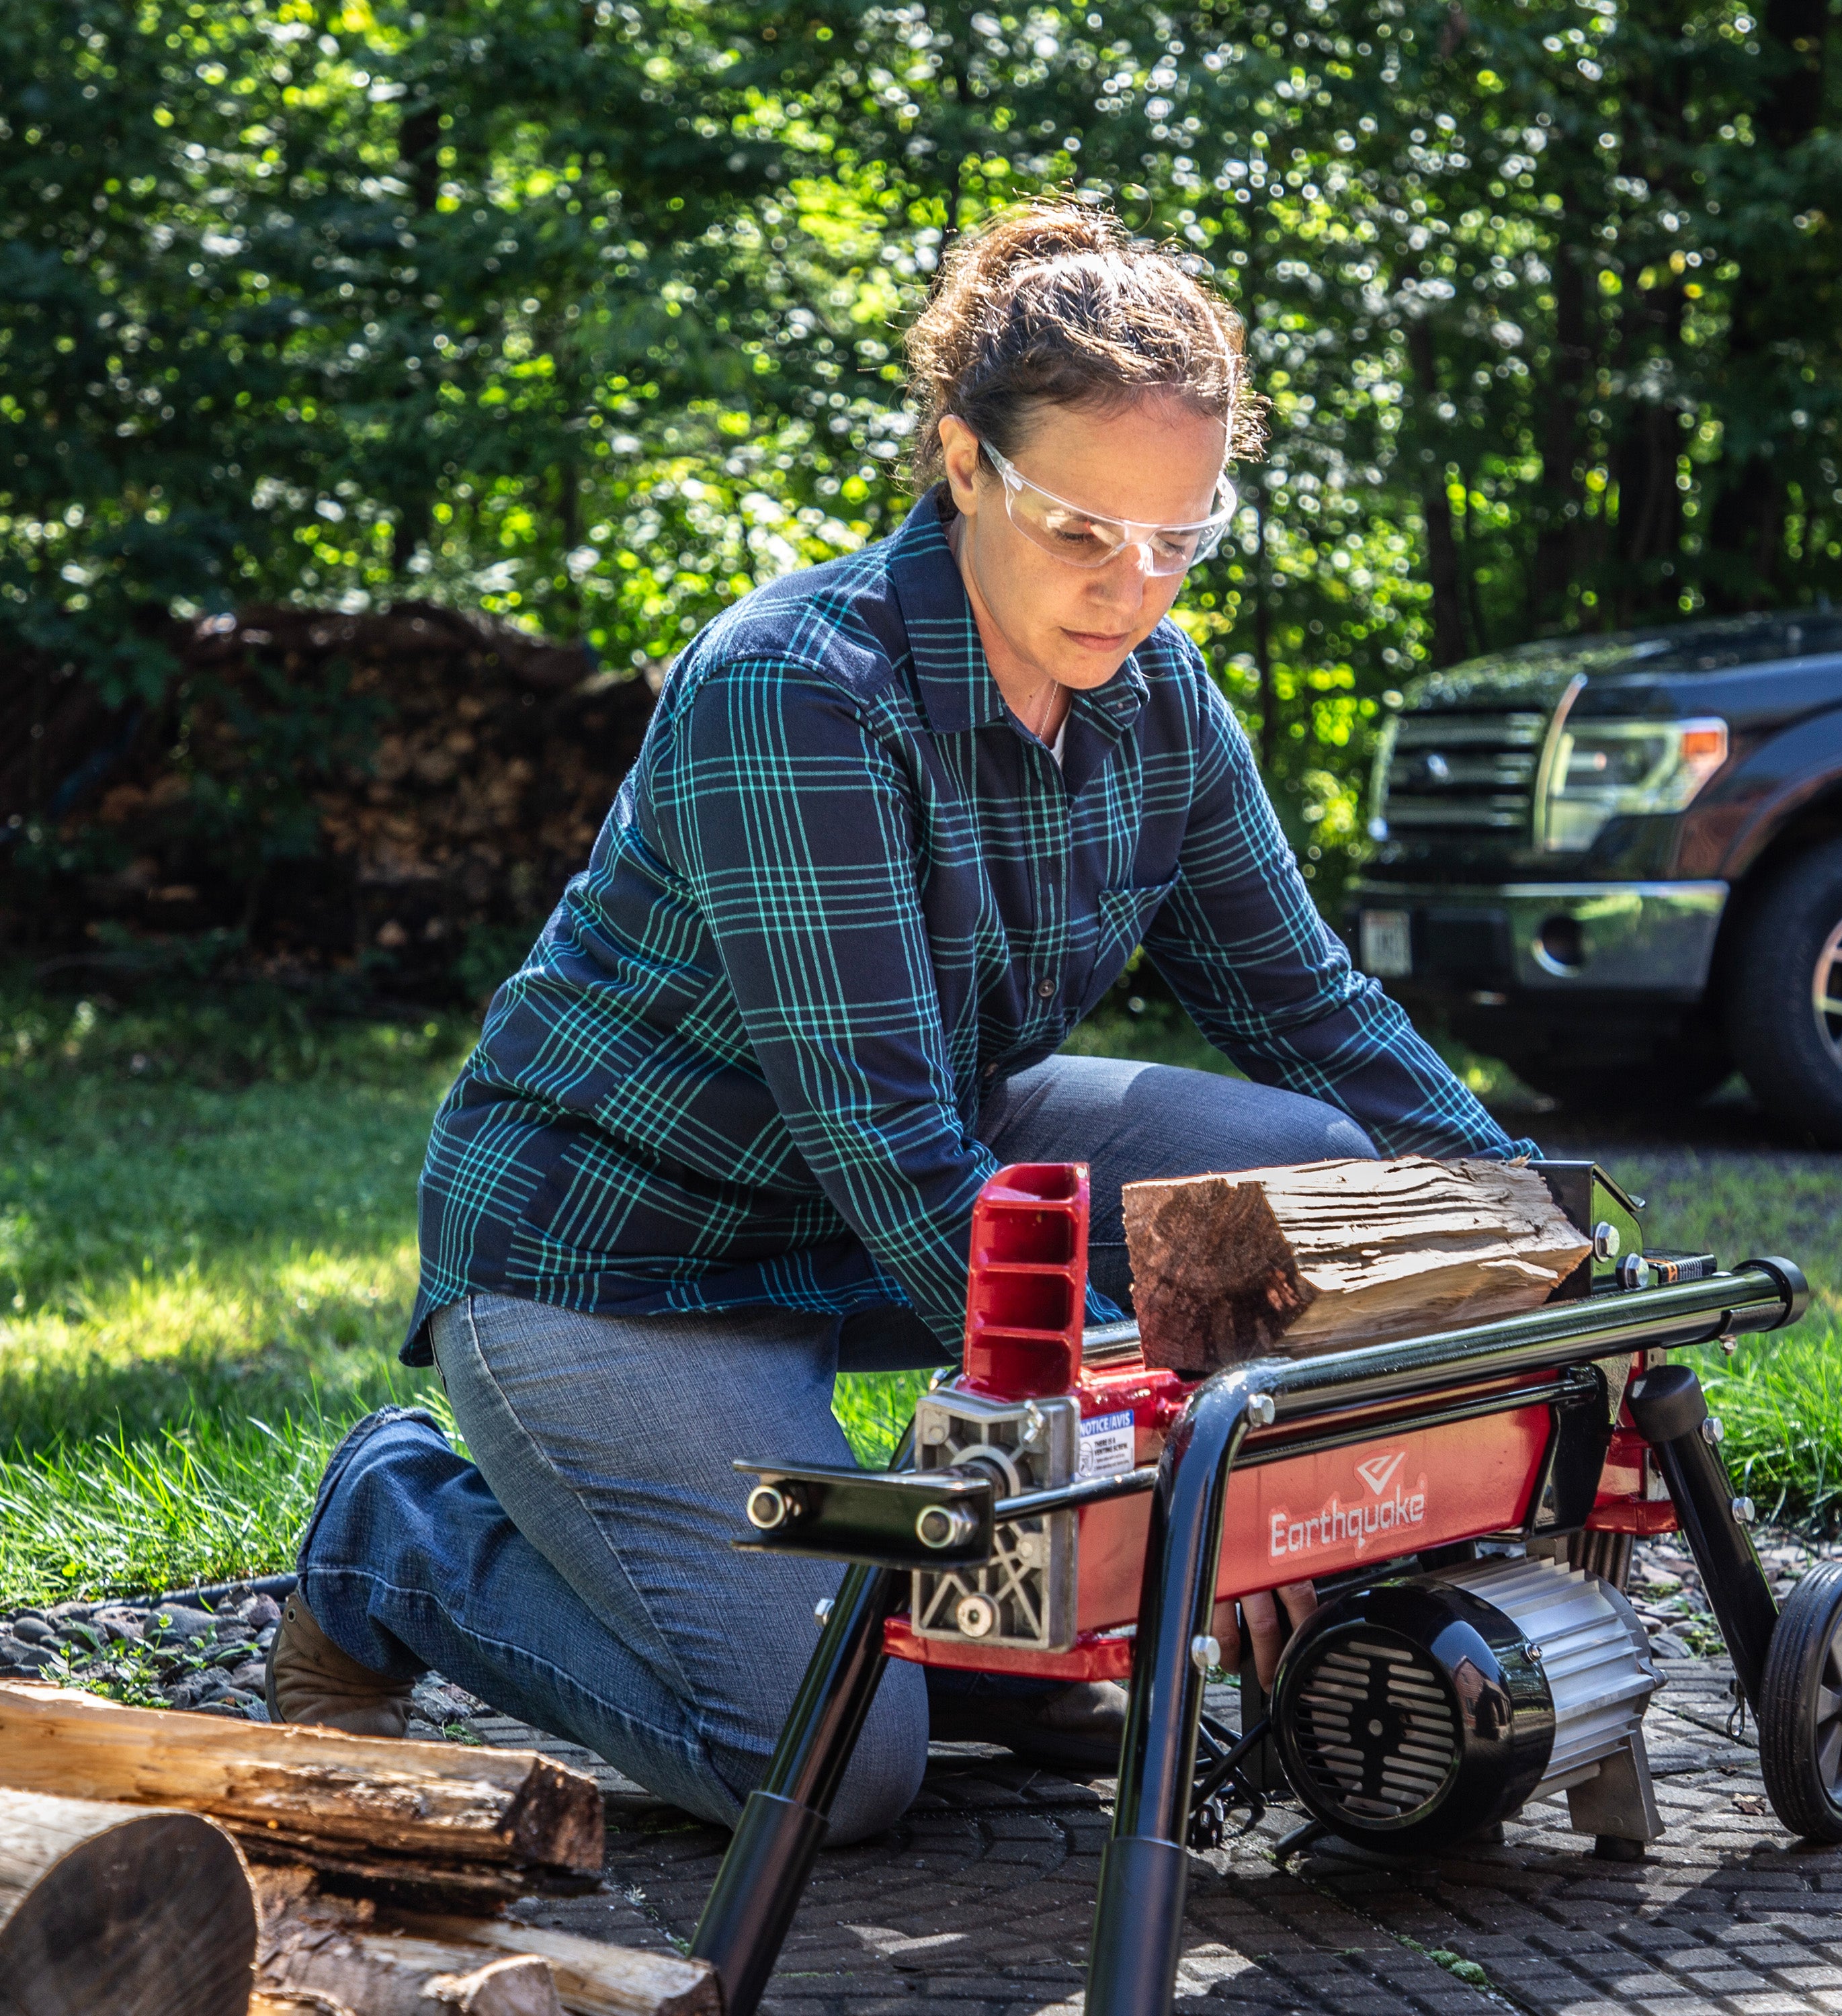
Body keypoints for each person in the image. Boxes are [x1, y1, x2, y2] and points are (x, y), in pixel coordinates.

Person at [266, 200, 1538, 1845]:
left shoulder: (1160, 700)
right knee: (832, 1773)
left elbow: (1313, 1007)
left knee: (1300, 1172)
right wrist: (1155, 1461)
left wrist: (1534, 1228)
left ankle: (987, 1634)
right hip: (628, 1262)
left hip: (898, 1186)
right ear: (963, 463)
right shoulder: (798, 688)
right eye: (1084, 531)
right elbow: (877, 1135)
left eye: (1181, 536)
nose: (1135, 587)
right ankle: (394, 1533)